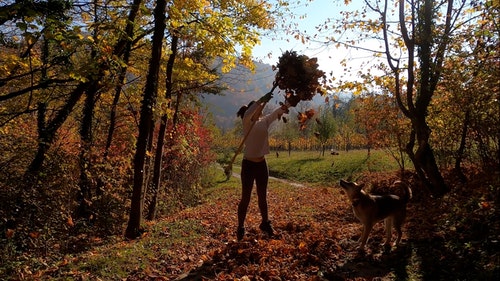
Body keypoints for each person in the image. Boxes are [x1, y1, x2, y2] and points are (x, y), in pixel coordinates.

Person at [235, 92, 289, 241]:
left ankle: (265, 223)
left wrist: (288, 104)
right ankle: (240, 227)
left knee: (262, 196)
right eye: (259, 107)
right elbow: (250, 111)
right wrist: (260, 100)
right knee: (245, 198)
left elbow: (276, 113)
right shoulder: (246, 120)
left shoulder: (264, 121)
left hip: (261, 164)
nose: (262, 109)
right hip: (248, 165)